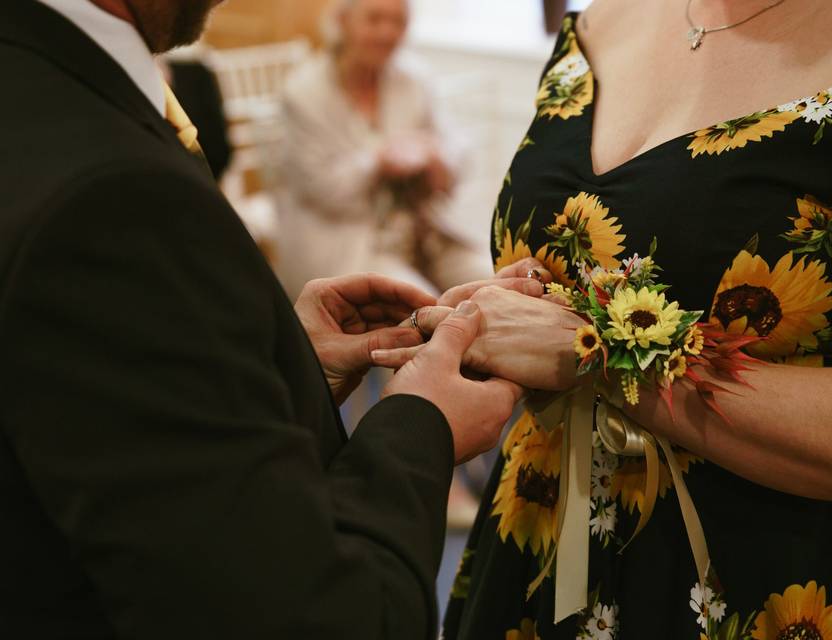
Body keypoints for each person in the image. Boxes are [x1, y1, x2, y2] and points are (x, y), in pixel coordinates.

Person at [373, 0, 832, 638]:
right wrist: (501, 313)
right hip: (548, 529)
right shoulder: (601, 20)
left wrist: (596, 351)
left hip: (769, 575)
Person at [0, 0, 541, 636]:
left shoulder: (39, 80)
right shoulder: (116, 196)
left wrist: (282, 360)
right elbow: (314, 615)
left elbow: (103, 403)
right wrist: (420, 423)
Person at [274, 0, 492, 299]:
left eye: (398, 22)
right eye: (374, 20)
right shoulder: (303, 92)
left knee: (494, 281)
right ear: (342, 21)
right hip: (349, 241)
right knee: (425, 307)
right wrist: (379, 161)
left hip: (427, 233)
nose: (387, 33)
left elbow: (455, 150)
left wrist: (438, 159)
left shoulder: (414, 78)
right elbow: (324, 189)